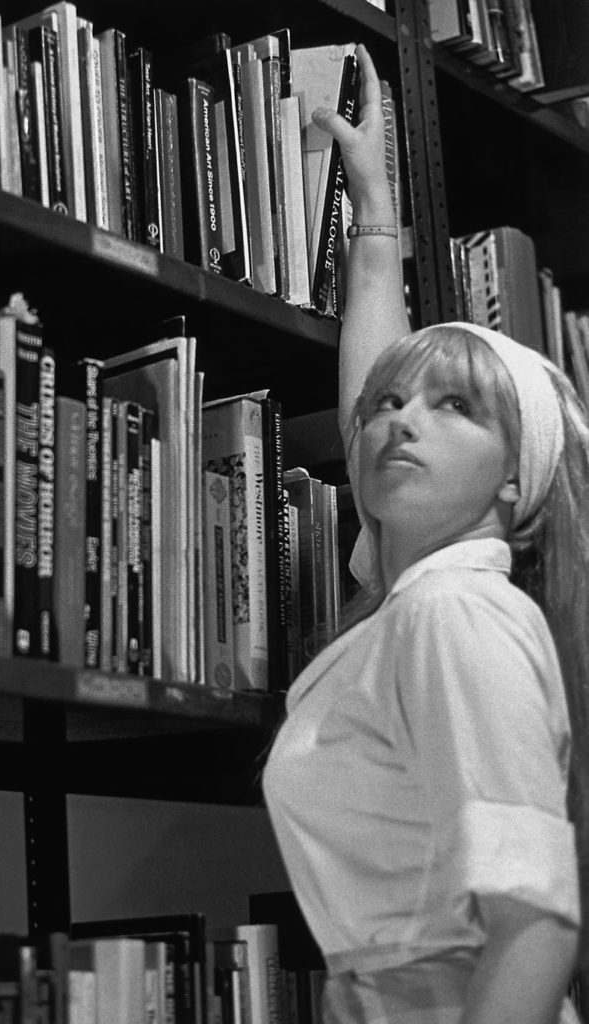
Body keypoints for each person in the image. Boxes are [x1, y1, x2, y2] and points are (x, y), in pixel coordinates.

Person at [262, 43, 589, 1024]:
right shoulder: (423, 591)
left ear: (513, 484)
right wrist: (373, 220)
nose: (402, 419)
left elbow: (535, 927)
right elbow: (376, 388)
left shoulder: (453, 612)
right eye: (392, 406)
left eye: (456, 408)